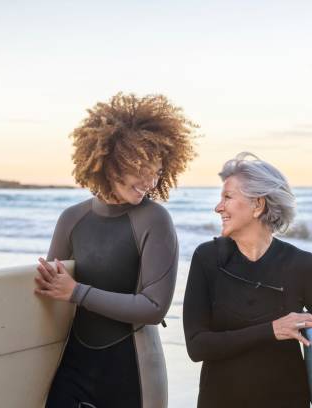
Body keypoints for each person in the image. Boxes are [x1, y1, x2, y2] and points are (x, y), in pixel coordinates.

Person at [34, 93, 196, 408]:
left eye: (157, 170)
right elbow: (50, 297)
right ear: (110, 161)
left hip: (131, 373)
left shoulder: (154, 220)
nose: (150, 180)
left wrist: (76, 292)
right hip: (72, 370)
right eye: (141, 167)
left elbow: (154, 307)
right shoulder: (72, 219)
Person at [183, 152, 312, 407]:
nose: (218, 207)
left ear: (258, 205)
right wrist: (272, 330)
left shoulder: (302, 265)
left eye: (228, 197)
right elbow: (197, 346)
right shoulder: (207, 258)